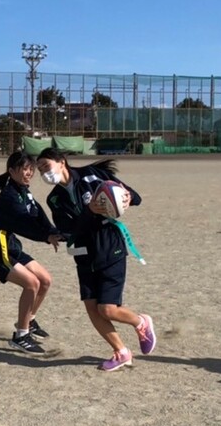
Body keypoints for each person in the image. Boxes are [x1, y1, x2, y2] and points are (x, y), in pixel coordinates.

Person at [35, 147, 156, 372]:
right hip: (83, 254)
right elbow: (70, 230)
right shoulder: (54, 199)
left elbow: (134, 197)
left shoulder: (92, 175)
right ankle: (121, 352)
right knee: (92, 308)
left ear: (62, 162)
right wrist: (90, 211)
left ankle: (141, 322)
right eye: (40, 170)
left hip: (110, 249)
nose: (43, 173)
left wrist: (127, 197)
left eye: (46, 166)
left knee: (108, 309)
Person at [0, 151, 63, 354]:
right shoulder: (9, 196)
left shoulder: (24, 190)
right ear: (11, 171)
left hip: (10, 245)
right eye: (25, 169)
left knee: (45, 280)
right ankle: (21, 336)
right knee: (31, 283)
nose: (29, 173)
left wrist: (53, 231)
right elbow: (25, 224)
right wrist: (46, 237)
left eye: (31, 169)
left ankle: (29, 320)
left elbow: (37, 213)